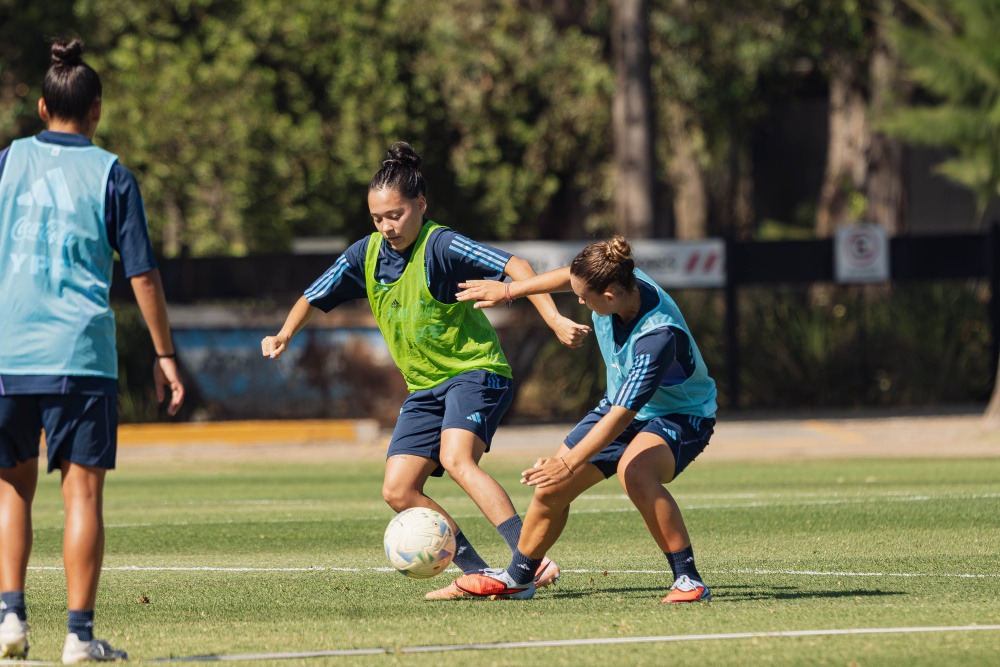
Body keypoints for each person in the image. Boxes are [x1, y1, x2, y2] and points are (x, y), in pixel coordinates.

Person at [261, 142, 590, 600]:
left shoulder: (441, 244)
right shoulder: (365, 254)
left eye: (395, 215)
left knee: (457, 459)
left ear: (420, 205)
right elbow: (313, 294)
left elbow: (516, 266)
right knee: (398, 491)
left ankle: (526, 561)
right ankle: (480, 572)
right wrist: (283, 334)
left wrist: (553, 318)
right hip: (424, 389)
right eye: (377, 218)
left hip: (477, 371)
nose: (386, 226)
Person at [0, 39, 185, 662]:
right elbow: (143, 277)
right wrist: (164, 356)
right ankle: (78, 637)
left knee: (10, 491)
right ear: (96, 109)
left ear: (44, 104)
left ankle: (9, 622)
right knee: (81, 496)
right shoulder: (111, 173)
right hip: (78, 353)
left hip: (9, 351)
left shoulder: (6, 163)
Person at [452, 236, 717, 602]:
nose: (578, 301)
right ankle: (520, 578)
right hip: (618, 406)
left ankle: (689, 580)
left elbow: (623, 416)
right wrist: (510, 290)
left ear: (609, 296)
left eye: (583, 297)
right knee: (551, 490)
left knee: (634, 472)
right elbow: (570, 277)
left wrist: (568, 462)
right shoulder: (621, 278)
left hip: (683, 415)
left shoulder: (657, 337)